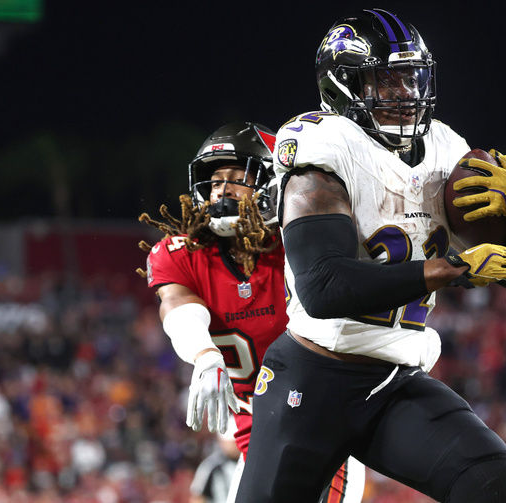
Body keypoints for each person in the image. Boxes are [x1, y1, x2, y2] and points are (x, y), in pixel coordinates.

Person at [236, 9, 506, 503]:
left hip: (392, 380)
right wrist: (449, 270)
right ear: (343, 85)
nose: (405, 93)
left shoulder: (448, 149)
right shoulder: (324, 148)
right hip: (313, 379)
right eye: (387, 79)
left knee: (494, 486)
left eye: (411, 77)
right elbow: (323, 286)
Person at [136, 122, 364, 503]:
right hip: (254, 430)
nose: (221, 189)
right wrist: (205, 354)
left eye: (237, 177)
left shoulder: (300, 243)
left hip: (320, 420)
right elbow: (177, 306)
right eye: (214, 180)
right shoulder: (181, 253)